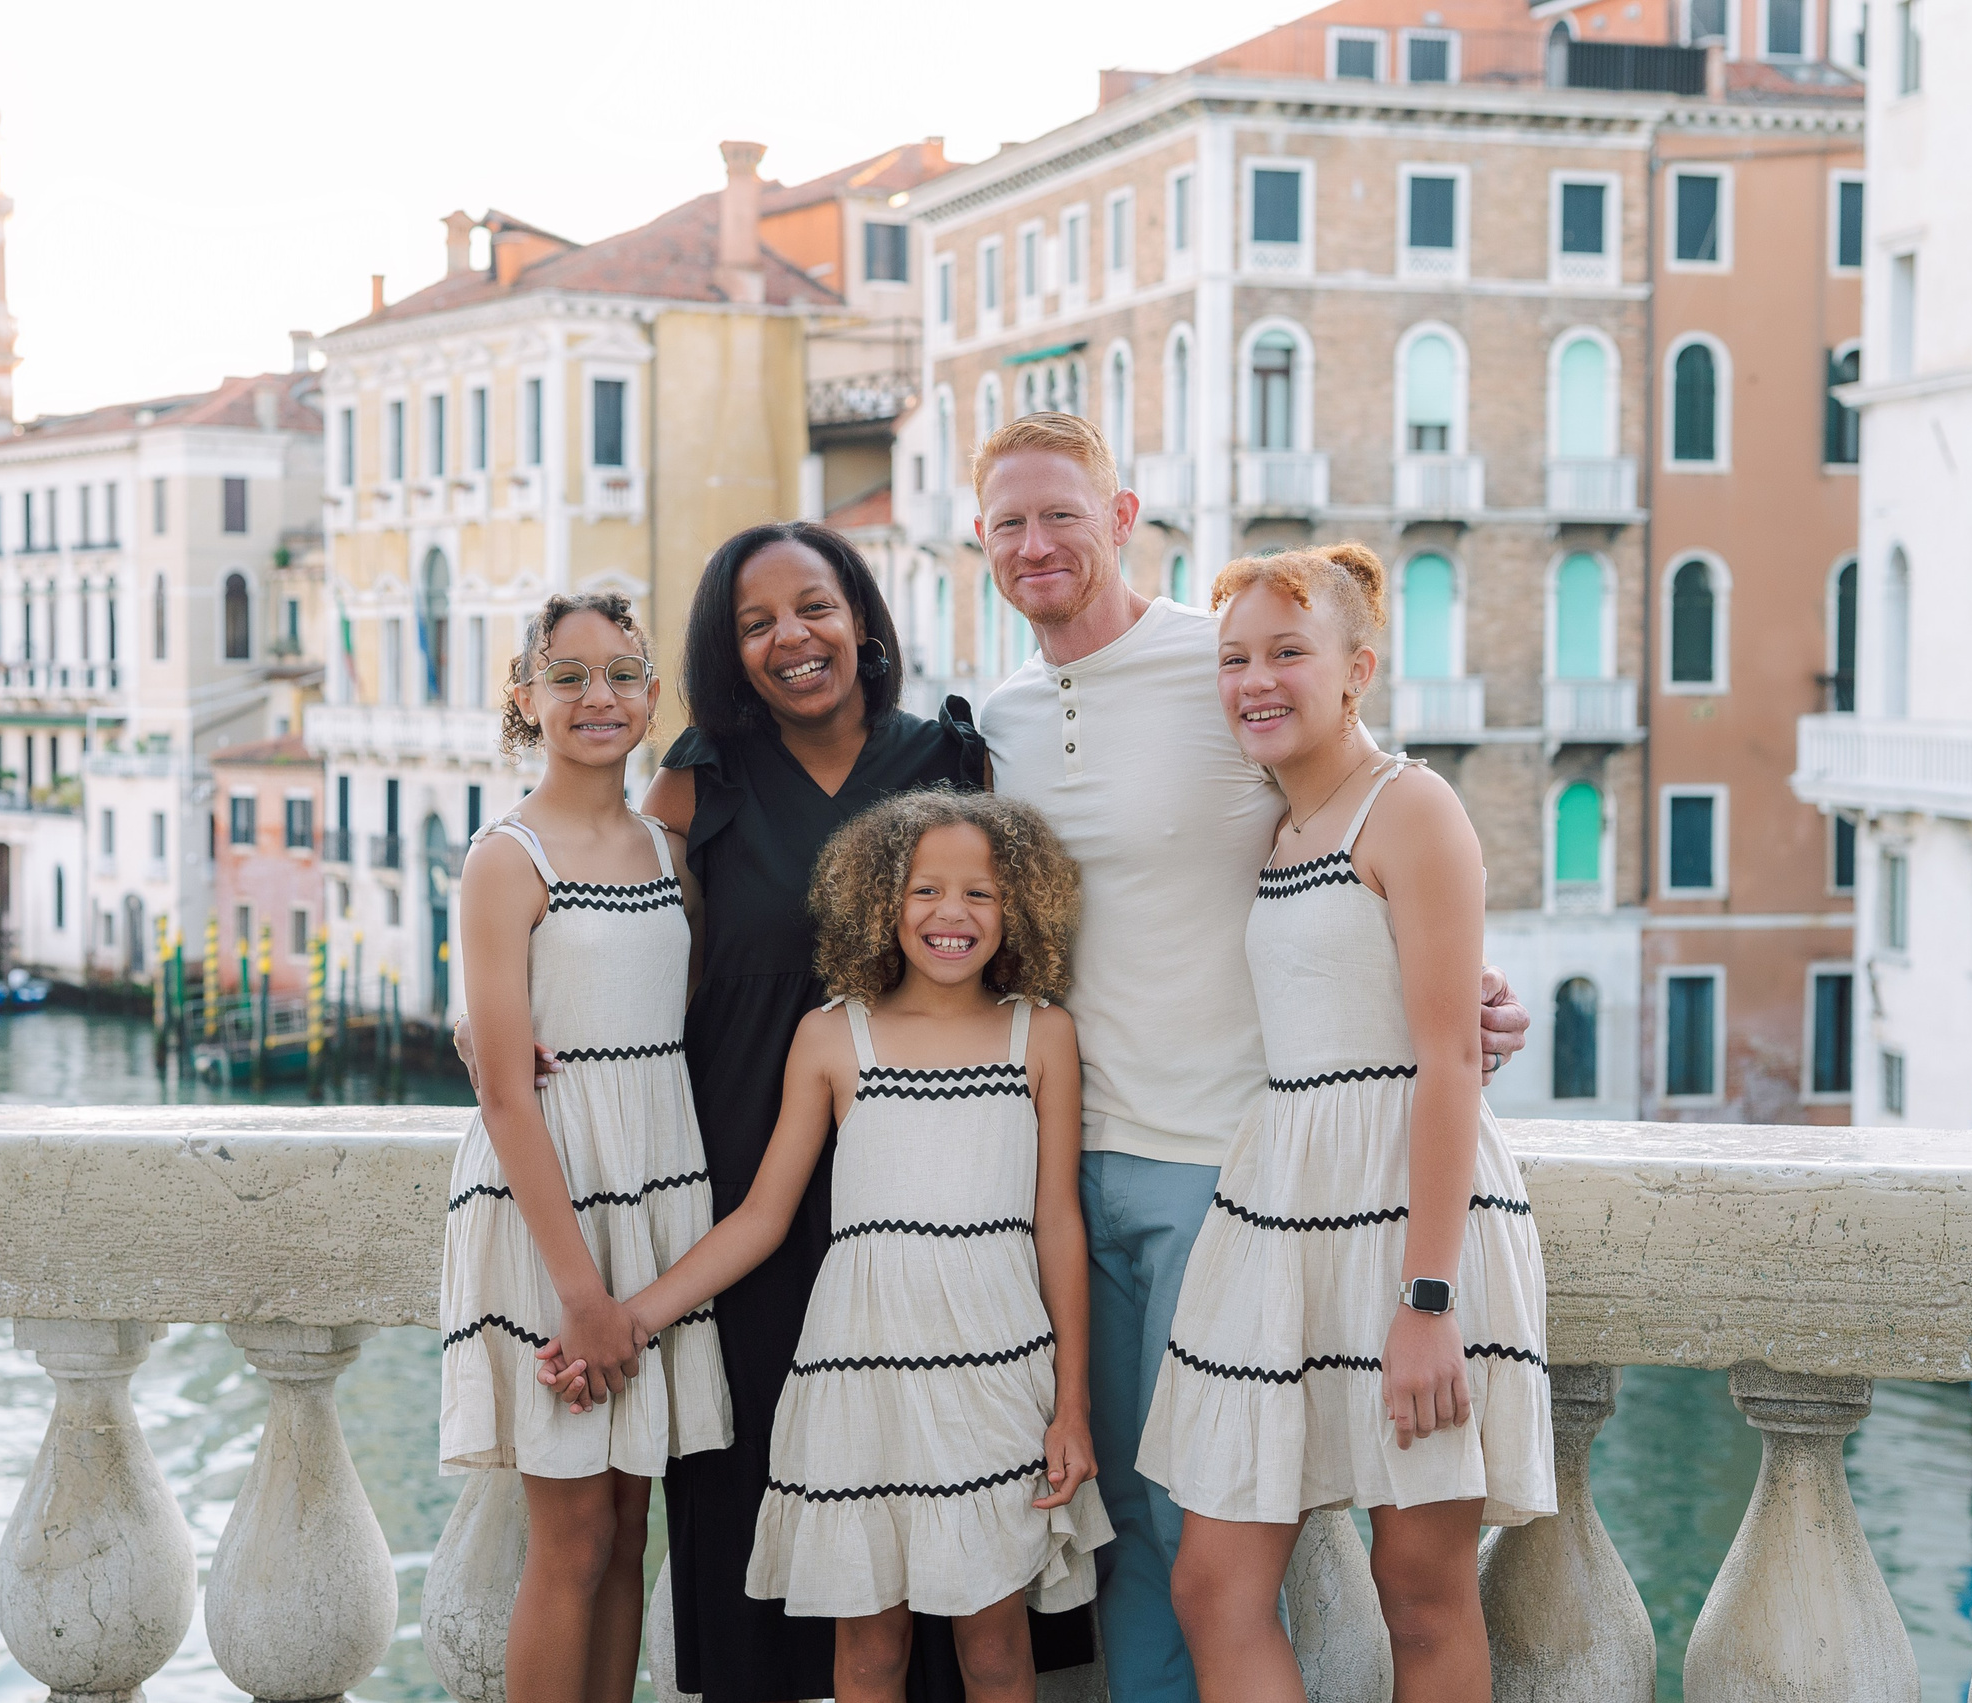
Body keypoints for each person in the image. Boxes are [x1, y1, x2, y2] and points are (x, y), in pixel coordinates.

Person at [970, 413, 1532, 1703]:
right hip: (1065, 1170)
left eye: (1064, 512)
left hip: (1229, 1171)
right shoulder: (995, 717)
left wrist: (1458, 1011)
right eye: (1009, 520)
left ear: (1122, 520)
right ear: (982, 544)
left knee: (1227, 1544)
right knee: (1120, 1530)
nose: (1037, 541)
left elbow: (1384, 855)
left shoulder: (1213, 667)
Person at [550, 789, 1111, 1703]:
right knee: (870, 1651)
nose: (951, 914)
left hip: (998, 1379)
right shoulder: (829, 1037)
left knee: (1000, 1650)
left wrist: (1072, 1406)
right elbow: (763, 1216)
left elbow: (1058, 1223)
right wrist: (630, 1318)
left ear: (1020, 909)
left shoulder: (1041, 1033)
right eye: (925, 889)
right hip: (860, 1378)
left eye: (981, 892)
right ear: (882, 902)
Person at [1138, 543, 1554, 1701]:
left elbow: (1443, 1060)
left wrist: (1426, 1303)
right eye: (1232, 658)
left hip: (1410, 1229)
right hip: (1280, 1212)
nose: (1255, 679)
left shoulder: (1408, 804)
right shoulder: (1273, 825)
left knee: (1420, 1592)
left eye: (1286, 651)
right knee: (1213, 1583)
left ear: (1355, 669)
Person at [439, 590, 731, 1703]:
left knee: (627, 1524)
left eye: (619, 673)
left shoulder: (668, 847)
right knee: (568, 1539)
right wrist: (581, 1296)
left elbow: (675, 1018)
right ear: (527, 698)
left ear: (654, 697)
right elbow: (509, 1096)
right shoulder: (504, 857)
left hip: (649, 1191)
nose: (596, 694)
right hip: (548, 1208)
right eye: (567, 675)